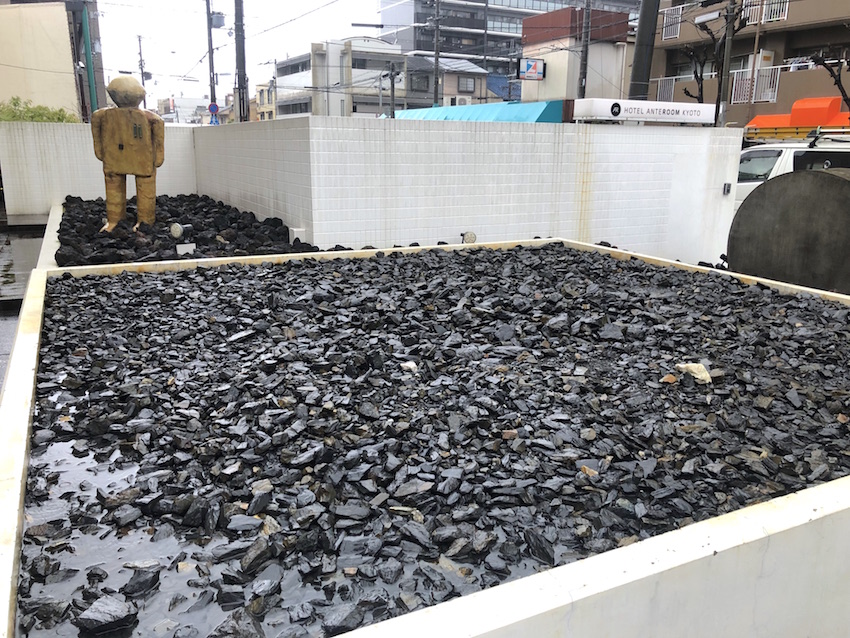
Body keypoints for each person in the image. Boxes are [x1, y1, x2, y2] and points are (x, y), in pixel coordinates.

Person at [91, 76, 165, 232]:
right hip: (116, 157)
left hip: (139, 158)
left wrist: (158, 155)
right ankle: (114, 220)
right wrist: (99, 150)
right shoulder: (103, 115)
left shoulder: (147, 117)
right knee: (114, 186)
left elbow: (158, 127)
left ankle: (145, 221)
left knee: (144, 187)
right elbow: (96, 126)